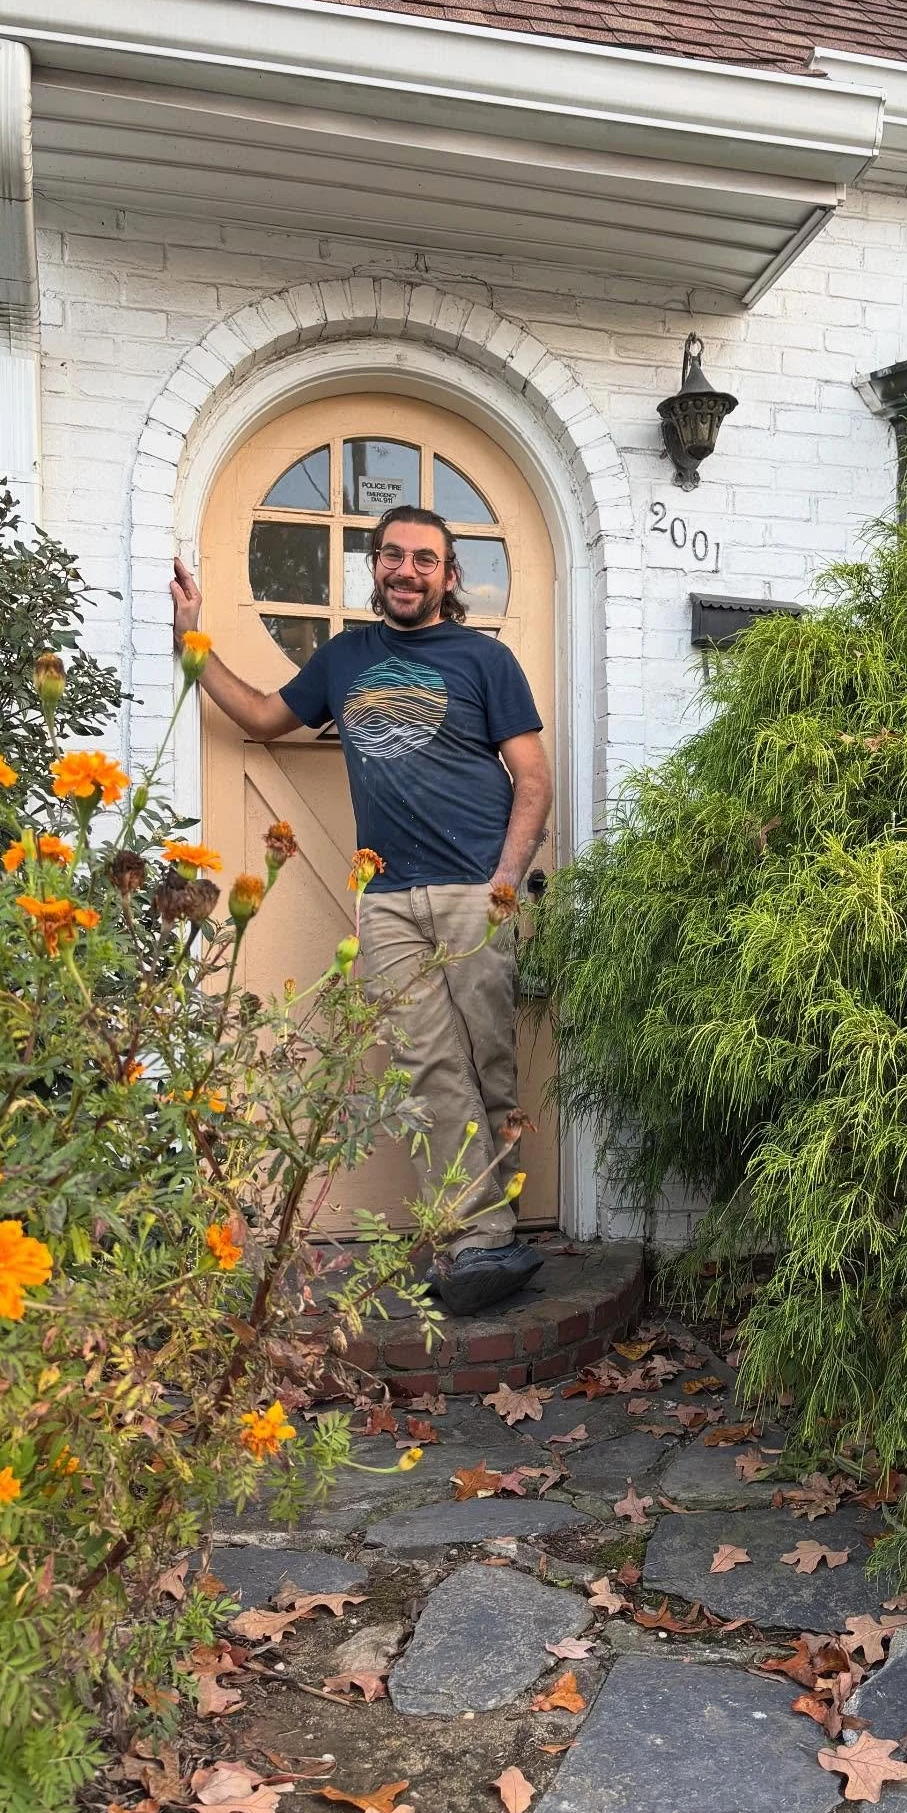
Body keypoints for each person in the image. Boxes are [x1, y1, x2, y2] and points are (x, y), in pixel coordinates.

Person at [170, 505, 553, 1316]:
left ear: (449, 576)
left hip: (474, 892)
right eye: (392, 556)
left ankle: (497, 1231)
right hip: (385, 899)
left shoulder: (485, 660)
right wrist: (191, 638)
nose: (406, 571)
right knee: (426, 1067)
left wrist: (504, 881)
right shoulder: (345, 658)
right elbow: (263, 716)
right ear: (373, 566)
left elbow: (534, 779)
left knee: (487, 1064)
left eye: (424, 559)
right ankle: (477, 1241)